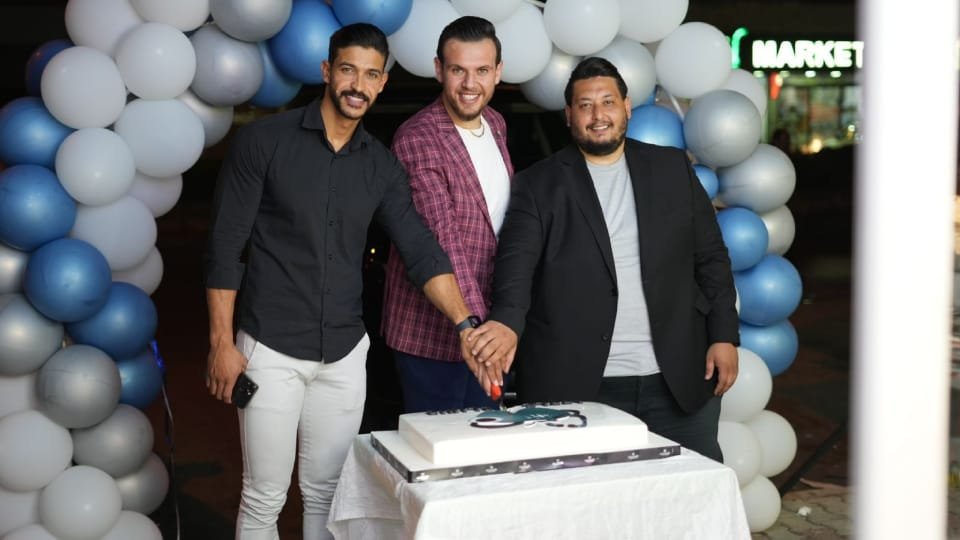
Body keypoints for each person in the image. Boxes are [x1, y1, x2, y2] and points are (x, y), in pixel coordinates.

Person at [203, 23, 479, 540]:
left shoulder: (381, 165)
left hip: (345, 354)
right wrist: (222, 342)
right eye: (349, 70)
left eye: (371, 75)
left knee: (329, 495)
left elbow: (420, 249)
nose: (358, 85)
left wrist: (466, 324)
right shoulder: (264, 142)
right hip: (270, 347)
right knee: (264, 498)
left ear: (382, 83)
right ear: (328, 71)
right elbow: (226, 247)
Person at [469, 57, 740, 461]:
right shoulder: (538, 184)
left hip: (679, 379)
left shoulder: (671, 168)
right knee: (583, 496)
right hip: (582, 388)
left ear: (627, 107)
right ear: (569, 115)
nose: (598, 115)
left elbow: (711, 259)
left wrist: (723, 335)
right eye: (585, 105)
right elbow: (516, 268)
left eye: (608, 102)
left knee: (693, 491)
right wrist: (506, 322)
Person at [381, 16, 514, 412]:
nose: (470, 84)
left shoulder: (496, 123)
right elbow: (444, 240)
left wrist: (505, 320)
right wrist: (478, 331)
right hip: (436, 336)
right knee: (444, 445)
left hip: (489, 329)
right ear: (439, 69)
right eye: (458, 70)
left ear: (498, 72)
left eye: (482, 71)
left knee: (489, 440)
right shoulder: (418, 138)